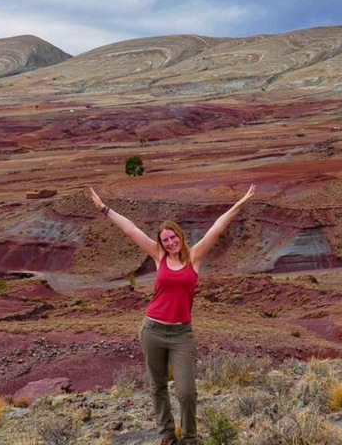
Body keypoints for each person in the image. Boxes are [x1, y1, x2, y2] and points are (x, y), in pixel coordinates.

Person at [88, 184, 256, 445]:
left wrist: (241, 202)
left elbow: (218, 227)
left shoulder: (195, 257)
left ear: (180, 236)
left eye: (173, 238)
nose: (170, 243)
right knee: (158, 388)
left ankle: (190, 439)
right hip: (153, 329)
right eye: (165, 240)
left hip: (181, 334)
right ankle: (167, 436)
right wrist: (104, 209)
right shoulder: (158, 255)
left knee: (187, 391)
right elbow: (130, 229)